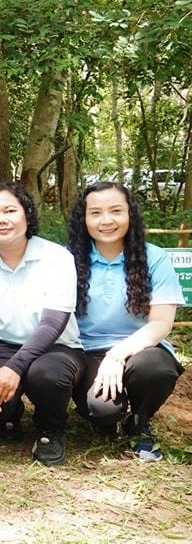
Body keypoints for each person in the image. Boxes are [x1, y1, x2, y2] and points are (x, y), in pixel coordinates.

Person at [0, 182, 85, 466]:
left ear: (26, 215)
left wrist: (14, 368)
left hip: (57, 347)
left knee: (46, 375)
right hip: (5, 345)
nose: (1, 219)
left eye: (10, 210)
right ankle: (9, 416)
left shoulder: (56, 258)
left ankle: (50, 428)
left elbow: (53, 323)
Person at [68, 182, 185, 462]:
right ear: (84, 219)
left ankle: (140, 422)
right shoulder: (68, 257)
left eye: (116, 211)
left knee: (156, 370)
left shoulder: (154, 257)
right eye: (95, 213)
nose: (106, 221)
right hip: (85, 351)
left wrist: (117, 355)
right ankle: (110, 419)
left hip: (141, 349)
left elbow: (160, 323)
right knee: (103, 410)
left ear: (130, 214)